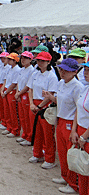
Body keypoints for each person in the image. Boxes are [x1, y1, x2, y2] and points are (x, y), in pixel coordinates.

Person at [43, 58, 81, 194]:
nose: (62, 72)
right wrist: (50, 97)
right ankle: (64, 176)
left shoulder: (77, 87)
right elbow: (59, 100)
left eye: (66, 70)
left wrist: (74, 129)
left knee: (70, 152)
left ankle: (73, 183)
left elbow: (78, 108)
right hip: (61, 120)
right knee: (62, 151)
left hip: (70, 123)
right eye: (61, 69)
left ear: (75, 72)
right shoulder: (61, 83)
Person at [27, 51, 58, 169]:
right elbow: (30, 89)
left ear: (48, 62)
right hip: (34, 104)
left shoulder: (51, 76)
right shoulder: (35, 73)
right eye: (39, 60)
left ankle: (50, 158)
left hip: (45, 106)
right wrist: (31, 104)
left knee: (47, 133)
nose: (40, 63)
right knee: (36, 131)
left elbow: (51, 93)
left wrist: (39, 106)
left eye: (43, 61)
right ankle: (37, 153)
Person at [70, 61, 89, 194]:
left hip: (87, 133)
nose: (85, 73)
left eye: (88, 71)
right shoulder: (85, 88)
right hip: (80, 130)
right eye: (85, 70)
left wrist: (85, 136)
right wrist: (74, 130)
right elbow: (78, 108)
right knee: (82, 168)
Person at [14, 51, 35, 146]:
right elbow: (19, 82)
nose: (23, 60)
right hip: (20, 94)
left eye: (25, 58)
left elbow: (28, 85)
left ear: (30, 60)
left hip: (26, 93)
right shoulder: (22, 70)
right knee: (22, 116)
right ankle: (25, 134)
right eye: (22, 58)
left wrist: (20, 93)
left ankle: (29, 136)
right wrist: (17, 92)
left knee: (27, 117)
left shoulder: (32, 70)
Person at [0, 53, 21, 137]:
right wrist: (3, 89)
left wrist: (5, 92)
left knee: (13, 112)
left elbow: (14, 83)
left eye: (10, 59)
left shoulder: (17, 70)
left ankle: (15, 129)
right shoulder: (10, 69)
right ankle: (9, 127)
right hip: (6, 90)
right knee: (7, 110)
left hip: (11, 91)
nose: (8, 61)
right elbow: (6, 80)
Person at [0, 52, 11, 131]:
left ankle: (6, 123)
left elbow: (6, 80)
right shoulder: (0, 66)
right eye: (1, 58)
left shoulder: (8, 67)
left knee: (5, 107)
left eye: (4, 58)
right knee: (0, 105)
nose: (3, 60)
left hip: (4, 87)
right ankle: (3, 121)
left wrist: (2, 89)